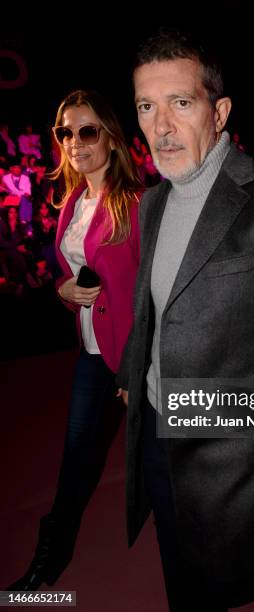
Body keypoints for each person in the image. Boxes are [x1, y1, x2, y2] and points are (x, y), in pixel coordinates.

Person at [117, 29, 254, 611]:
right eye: (146, 106)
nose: (160, 126)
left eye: (180, 103)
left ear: (219, 112)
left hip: (242, 462)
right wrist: (132, 375)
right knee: (184, 592)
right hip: (158, 444)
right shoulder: (152, 204)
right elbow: (156, 309)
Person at [7, 89, 141, 591]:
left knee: (177, 453)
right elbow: (76, 280)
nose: (74, 142)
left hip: (133, 357)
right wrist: (63, 291)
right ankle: (50, 557)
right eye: (65, 131)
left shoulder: (136, 204)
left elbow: (150, 295)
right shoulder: (70, 205)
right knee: (76, 457)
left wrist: (134, 368)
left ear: (109, 135)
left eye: (87, 130)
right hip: (90, 353)